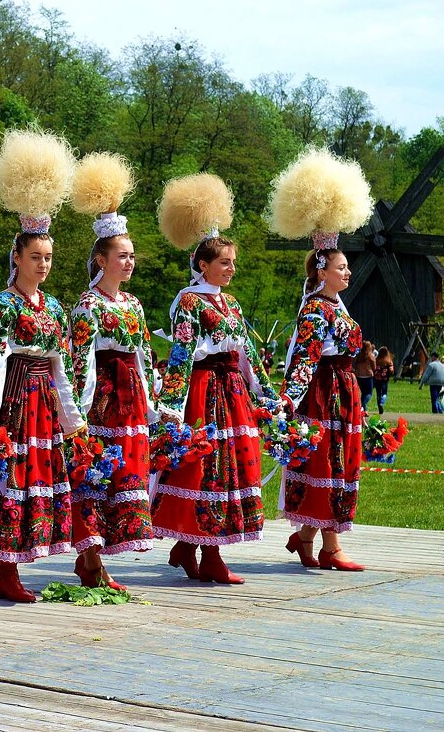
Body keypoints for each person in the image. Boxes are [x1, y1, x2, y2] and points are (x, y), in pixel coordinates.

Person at [0, 129, 85, 602]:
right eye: (35, 256)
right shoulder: (3, 303)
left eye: (49, 257)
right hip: (14, 397)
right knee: (12, 474)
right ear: (16, 257)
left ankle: (20, 561)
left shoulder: (54, 307)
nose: (43, 264)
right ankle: (4, 567)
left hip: (45, 401)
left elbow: (64, 364)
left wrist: (72, 417)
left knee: (39, 477)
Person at [151, 173, 282, 585]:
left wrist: (266, 392)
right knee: (208, 468)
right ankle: (206, 552)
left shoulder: (233, 304)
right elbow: (183, 352)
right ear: (202, 264)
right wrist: (171, 405)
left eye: (233, 262)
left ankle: (192, 548)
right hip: (205, 391)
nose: (231, 268)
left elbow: (247, 353)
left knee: (232, 467)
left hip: (232, 391)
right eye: (224, 262)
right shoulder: (189, 300)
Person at [271, 147, 377, 572]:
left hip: (346, 391)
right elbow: (304, 358)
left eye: (348, 267)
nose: (348, 273)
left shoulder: (339, 307)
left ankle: (304, 536)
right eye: (342, 266)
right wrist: (287, 402)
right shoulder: (315, 309)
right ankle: (330, 547)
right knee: (330, 465)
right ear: (321, 270)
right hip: (326, 394)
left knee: (340, 464)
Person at [67, 152, 157, 591]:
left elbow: (143, 356)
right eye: (122, 255)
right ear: (101, 259)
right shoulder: (88, 305)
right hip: (103, 397)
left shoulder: (133, 304)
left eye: (132, 256)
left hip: (131, 399)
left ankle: (95, 561)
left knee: (125, 473)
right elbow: (79, 359)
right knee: (97, 474)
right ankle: (92, 559)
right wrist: (79, 413)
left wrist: (155, 402)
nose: (129, 263)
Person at [354, 340, 376, 411]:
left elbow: (356, 365)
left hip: (359, 376)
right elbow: (374, 367)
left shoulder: (359, 356)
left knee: (363, 393)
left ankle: (364, 410)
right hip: (368, 376)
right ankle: (363, 405)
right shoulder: (371, 356)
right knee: (369, 393)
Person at [373, 347, 394, 413]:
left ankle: (379, 407)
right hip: (384, 379)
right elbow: (391, 370)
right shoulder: (388, 360)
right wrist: (391, 373)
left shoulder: (376, 359)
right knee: (384, 393)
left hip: (377, 379)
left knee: (378, 393)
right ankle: (382, 401)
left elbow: (374, 368)